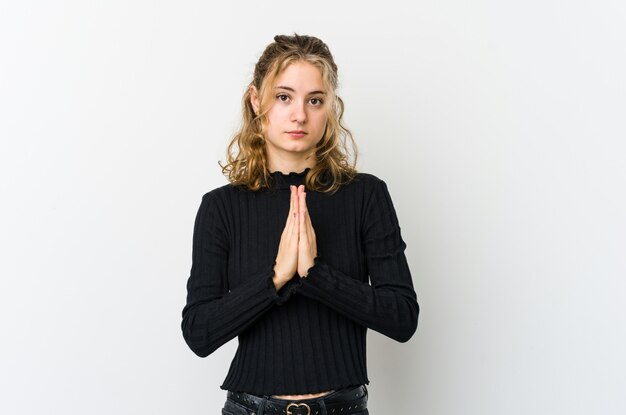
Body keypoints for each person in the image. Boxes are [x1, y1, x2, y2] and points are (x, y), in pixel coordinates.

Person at [181, 34, 419, 415]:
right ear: (256, 100)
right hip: (251, 408)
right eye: (283, 97)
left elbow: (402, 317)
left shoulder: (366, 195)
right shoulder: (221, 207)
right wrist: (276, 278)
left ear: (330, 108)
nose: (299, 115)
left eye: (315, 100)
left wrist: (316, 275)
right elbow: (198, 332)